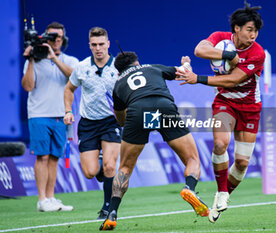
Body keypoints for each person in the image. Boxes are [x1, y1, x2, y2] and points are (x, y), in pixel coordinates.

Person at [99, 52, 209, 231]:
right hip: (164, 106)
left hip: (137, 110)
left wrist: (137, 123)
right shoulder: (152, 67)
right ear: (138, 62)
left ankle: (112, 213)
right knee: (192, 159)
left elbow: (120, 120)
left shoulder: (118, 84)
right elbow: (182, 72)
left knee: (125, 168)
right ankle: (189, 187)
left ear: (118, 72)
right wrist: (187, 64)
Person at [176, 2, 265, 223]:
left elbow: (233, 79)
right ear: (237, 28)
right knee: (219, 144)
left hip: (250, 108)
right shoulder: (220, 37)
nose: (253, 35)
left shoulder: (258, 53)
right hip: (224, 102)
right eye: (249, 30)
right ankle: (222, 190)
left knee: (243, 163)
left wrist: (199, 79)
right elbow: (199, 50)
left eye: (256, 31)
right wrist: (228, 54)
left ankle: (222, 196)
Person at [63, 27, 121, 219]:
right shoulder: (82, 67)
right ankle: (101, 166)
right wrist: (68, 111)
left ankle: (107, 208)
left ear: (108, 44)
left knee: (111, 166)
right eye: (94, 45)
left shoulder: (118, 67)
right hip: (88, 124)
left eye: (101, 44)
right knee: (90, 172)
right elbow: (69, 89)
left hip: (111, 122)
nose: (98, 48)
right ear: (89, 45)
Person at [22, 22, 78, 212]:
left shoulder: (70, 60)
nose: (55, 41)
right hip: (39, 114)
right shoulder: (35, 60)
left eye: (59, 38)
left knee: (54, 157)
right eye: (52, 37)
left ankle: (51, 197)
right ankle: (41, 199)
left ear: (64, 40)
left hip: (61, 116)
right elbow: (28, 86)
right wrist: (30, 60)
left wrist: (54, 58)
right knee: (42, 157)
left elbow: (74, 78)